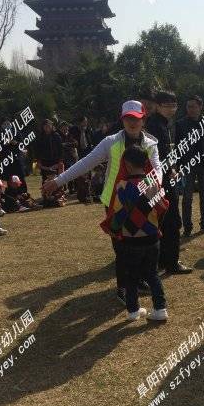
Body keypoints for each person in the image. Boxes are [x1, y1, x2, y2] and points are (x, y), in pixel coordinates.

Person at [42, 100, 162, 304]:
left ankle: (139, 280)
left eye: (136, 119)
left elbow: (157, 170)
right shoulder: (110, 142)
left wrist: (150, 187)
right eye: (128, 118)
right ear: (122, 120)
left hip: (142, 202)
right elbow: (86, 163)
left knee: (141, 241)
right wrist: (58, 181)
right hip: (115, 203)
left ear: (143, 120)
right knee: (121, 246)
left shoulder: (151, 144)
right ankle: (123, 288)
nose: (132, 122)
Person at [102, 145, 169, 320]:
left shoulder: (122, 186)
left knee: (131, 276)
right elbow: (162, 207)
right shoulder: (152, 183)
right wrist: (155, 225)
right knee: (153, 274)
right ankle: (160, 309)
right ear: (145, 162)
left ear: (127, 164)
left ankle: (133, 311)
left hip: (130, 240)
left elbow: (118, 215)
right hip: (152, 238)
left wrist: (114, 230)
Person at [146, 90, 192, 274]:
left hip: (161, 177)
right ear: (157, 106)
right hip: (161, 180)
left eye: (174, 105)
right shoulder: (155, 125)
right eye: (167, 105)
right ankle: (171, 262)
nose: (172, 109)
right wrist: (169, 171)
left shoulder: (160, 123)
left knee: (163, 220)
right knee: (171, 221)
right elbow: (157, 155)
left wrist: (171, 168)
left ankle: (163, 260)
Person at [176, 95, 204, 236]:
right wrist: (178, 166)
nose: (190, 109)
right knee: (187, 197)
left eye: (193, 106)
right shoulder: (180, 124)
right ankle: (187, 227)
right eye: (188, 107)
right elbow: (178, 147)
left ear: (200, 107)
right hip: (187, 165)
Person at [70, 115, 95, 203]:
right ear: (80, 122)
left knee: (88, 171)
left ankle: (88, 190)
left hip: (87, 152)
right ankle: (79, 189)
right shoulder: (74, 130)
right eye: (84, 122)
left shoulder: (88, 129)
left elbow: (91, 139)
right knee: (79, 171)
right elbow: (71, 139)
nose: (86, 123)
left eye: (86, 122)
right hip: (78, 153)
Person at [0, 119, 28, 191]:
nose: (6, 125)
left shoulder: (16, 132)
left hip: (17, 159)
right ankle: (12, 194)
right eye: (5, 124)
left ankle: (23, 193)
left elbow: (22, 144)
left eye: (8, 123)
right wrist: (4, 143)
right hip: (6, 160)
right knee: (10, 179)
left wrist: (16, 143)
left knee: (20, 177)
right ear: (2, 125)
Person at [36, 119, 64, 184]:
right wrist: (38, 161)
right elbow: (37, 150)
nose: (47, 127)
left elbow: (60, 149)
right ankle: (45, 190)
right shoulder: (40, 137)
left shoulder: (56, 136)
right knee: (45, 179)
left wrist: (60, 160)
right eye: (45, 125)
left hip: (55, 161)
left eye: (49, 125)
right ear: (43, 127)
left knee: (56, 179)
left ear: (51, 126)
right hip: (44, 161)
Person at [58, 121, 79, 194]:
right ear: (60, 128)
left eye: (66, 127)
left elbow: (76, 144)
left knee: (71, 172)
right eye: (63, 127)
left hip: (71, 157)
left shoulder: (70, 135)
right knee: (62, 173)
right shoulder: (58, 136)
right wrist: (68, 145)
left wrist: (66, 144)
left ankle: (71, 188)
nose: (65, 129)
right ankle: (63, 188)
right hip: (62, 157)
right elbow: (60, 145)